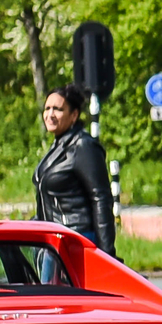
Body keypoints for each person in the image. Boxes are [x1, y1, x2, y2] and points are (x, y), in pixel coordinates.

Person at [35, 85, 114, 255]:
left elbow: (101, 198)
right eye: (47, 108)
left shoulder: (83, 146)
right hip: (53, 241)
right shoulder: (58, 146)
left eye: (57, 109)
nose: (50, 114)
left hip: (74, 242)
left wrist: (106, 253)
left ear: (74, 115)